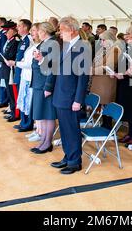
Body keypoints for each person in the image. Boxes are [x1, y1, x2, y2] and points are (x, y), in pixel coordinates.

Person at [50, 16, 90, 174]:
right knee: (65, 130)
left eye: (62, 29)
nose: (60, 32)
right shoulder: (66, 45)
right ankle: (68, 156)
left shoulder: (82, 47)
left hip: (71, 97)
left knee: (72, 130)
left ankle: (75, 162)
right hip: (61, 94)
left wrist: (78, 100)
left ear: (72, 30)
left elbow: (83, 77)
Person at [30, 22, 58, 154]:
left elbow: (52, 67)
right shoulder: (45, 42)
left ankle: (48, 142)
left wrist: (48, 86)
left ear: (44, 31)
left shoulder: (52, 43)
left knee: (48, 115)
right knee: (43, 114)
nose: (37, 33)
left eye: (38, 31)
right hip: (39, 82)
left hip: (44, 83)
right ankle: (44, 140)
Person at [115, 26, 132, 145]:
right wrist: (116, 72)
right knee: (128, 109)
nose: (125, 36)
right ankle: (129, 133)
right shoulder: (127, 47)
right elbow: (122, 63)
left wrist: (123, 74)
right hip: (124, 82)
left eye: (128, 34)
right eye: (125, 34)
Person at [90, 30, 120, 129]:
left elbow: (109, 66)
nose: (101, 42)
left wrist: (92, 70)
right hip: (98, 82)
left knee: (106, 103)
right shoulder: (102, 50)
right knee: (101, 104)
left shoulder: (114, 50)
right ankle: (103, 123)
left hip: (106, 83)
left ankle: (107, 126)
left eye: (103, 40)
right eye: (100, 39)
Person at [16, 23, 40, 136]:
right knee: (24, 100)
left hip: (30, 75)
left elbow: (31, 64)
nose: (31, 32)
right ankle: (23, 122)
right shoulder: (32, 44)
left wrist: (16, 63)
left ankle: (28, 124)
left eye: (34, 30)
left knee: (29, 101)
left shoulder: (39, 46)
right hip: (25, 75)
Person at [0, 20, 20, 122]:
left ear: (13, 30)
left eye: (7, 31)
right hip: (6, 70)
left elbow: (9, 56)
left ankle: (15, 114)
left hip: (11, 70)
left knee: (13, 93)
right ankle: (12, 111)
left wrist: (0, 58)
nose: (5, 33)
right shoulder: (10, 41)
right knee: (9, 92)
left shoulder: (15, 41)